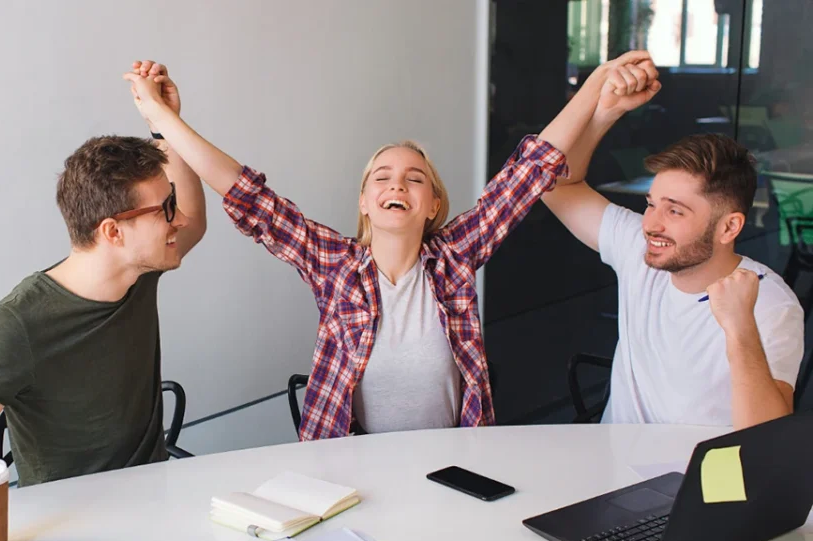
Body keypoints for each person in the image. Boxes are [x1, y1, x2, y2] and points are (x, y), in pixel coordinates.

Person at [122, 55, 648, 440]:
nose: (397, 185)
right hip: (351, 467)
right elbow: (245, 195)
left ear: (433, 204)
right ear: (366, 202)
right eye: (383, 177)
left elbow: (528, 172)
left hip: (453, 463)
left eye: (415, 179)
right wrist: (164, 121)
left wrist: (595, 85)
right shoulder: (333, 264)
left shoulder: (456, 257)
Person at [0, 67, 206, 490]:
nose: (181, 219)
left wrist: (163, 125)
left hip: (154, 500)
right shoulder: (14, 328)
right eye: (165, 211)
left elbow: (195, 221)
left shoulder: (138, 271)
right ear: (113, 232)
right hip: (74, 527)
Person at [541, 57, 804, 429]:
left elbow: (766, 439)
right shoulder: (641, 250)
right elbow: (551, 184)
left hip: (697, 481)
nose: (652, 225)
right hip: (611, 468)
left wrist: (740, 325)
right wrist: (604, 113)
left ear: (729, 228)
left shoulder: (770, 303)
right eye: (651, 205)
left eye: (675, 212)